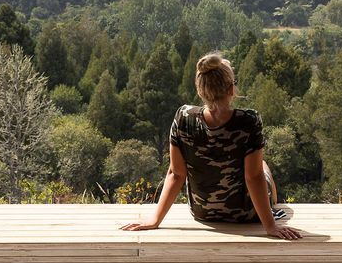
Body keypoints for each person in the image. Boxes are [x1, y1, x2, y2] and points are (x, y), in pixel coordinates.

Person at [121, 52, 302, 240]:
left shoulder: (183, 117)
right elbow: (253, 177)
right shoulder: (249, 120)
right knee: (262, 165)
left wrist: (155, 220)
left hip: (202, 212)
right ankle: (273, 206)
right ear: (231, 89)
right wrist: (270, 226)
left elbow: (176, 174)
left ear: (200, 90)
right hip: (246, 214)